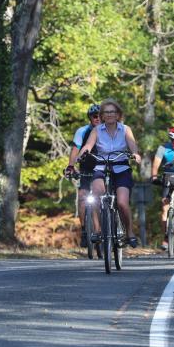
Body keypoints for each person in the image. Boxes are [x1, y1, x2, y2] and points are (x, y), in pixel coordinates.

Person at [78, 99, 142, 248]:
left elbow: (132, 145)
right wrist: (81, 155)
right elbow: (88, 145)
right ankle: (98, 230)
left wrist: (135, 154)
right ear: (102, 115)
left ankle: (130, 233)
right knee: (95, 195)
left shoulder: (125, 129)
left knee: (122, 203)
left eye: (112, 112)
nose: (110, 115)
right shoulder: (96, 130)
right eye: (106, 112)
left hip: (121, 168)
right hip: (101, 167)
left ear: (118, 114)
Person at [64, 104, 101, 248]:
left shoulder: (106, 130)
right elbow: (75, 149)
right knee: (83, 197)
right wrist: (71, 166)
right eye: (94, 116)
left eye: (100, 116)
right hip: (86, 167)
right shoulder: (82, 131)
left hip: (103, 167)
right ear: (90, 118)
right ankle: (85, 230)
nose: (97, 118)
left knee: (104, 196)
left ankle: (106, 225)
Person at [150, 126, 174, 249]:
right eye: (172, 140)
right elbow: (156, 164)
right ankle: (166, 237)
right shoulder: (163, 148)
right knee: (165, 206)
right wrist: (154, 176)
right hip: (169, 177)